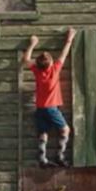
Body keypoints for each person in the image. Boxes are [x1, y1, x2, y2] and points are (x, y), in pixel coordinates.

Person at [22, 28, 76, 168]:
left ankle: (42, 159)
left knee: (43, 132)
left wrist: (33, 43)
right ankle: (60, 156)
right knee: (65, 130)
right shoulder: (54, 70)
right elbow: (64, 54)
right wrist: (69, 38)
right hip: (51, 108)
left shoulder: (37, 71)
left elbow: (26, 59)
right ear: (51, 63)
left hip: (40, 108)